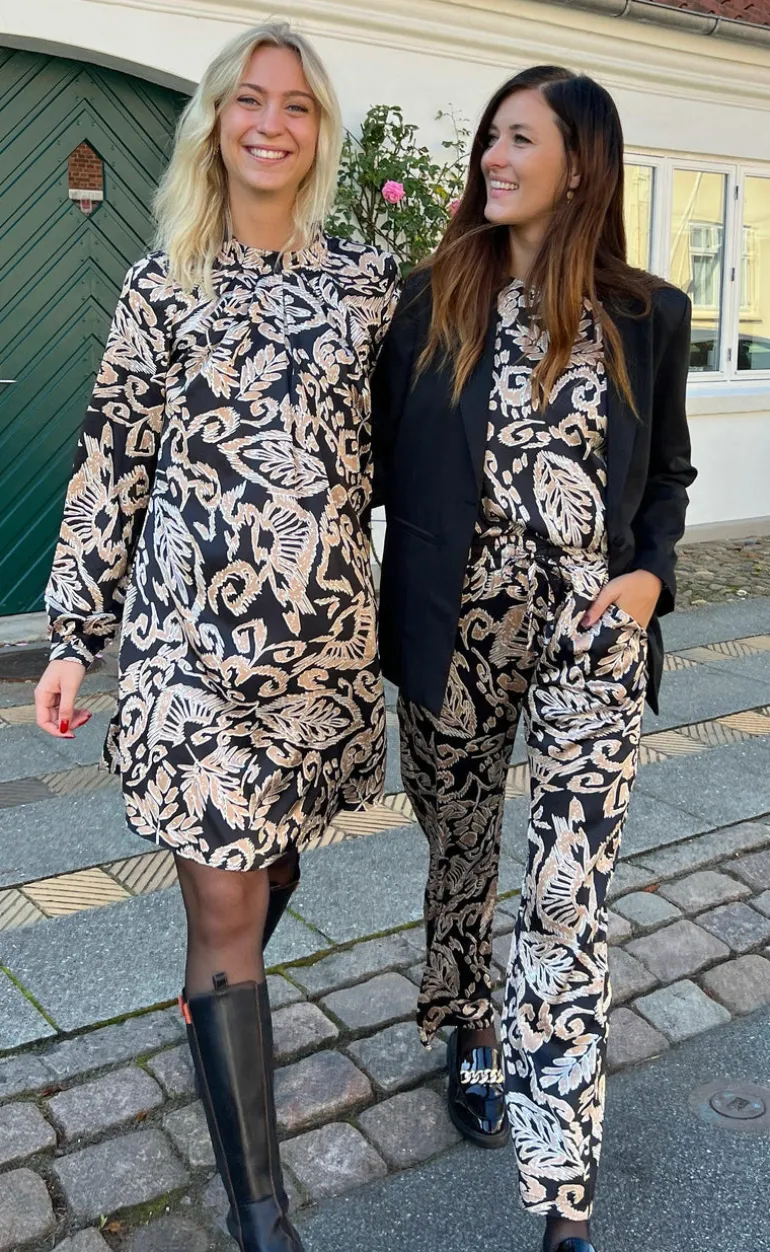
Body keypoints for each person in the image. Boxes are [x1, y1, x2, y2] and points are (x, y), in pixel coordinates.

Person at [35, 22, 398, 1252]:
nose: (271, 123)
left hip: (321, 658)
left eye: (295, 105)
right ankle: (262, 1217)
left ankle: (208, 997)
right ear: (214, 121)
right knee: (228, 913)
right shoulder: (160, 285)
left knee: (264, 871)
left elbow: (406, 452)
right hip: (193, 660)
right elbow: (111, 466)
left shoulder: (367, 282)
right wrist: (73, 636)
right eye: (250, 100)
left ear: (318, 132)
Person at [372, 65, 695, 1252]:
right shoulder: (428, 301)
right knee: (459, 851)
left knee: (565, 903)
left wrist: (650, 574)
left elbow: (665, 474)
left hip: (589, 642)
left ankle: (563, 1203)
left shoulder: (648, 315)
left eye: (519, 139)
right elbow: (359, 460)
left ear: (579, 166)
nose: (492, 159)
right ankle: (469, 1022)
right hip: (450, 629)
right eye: (489, 138)